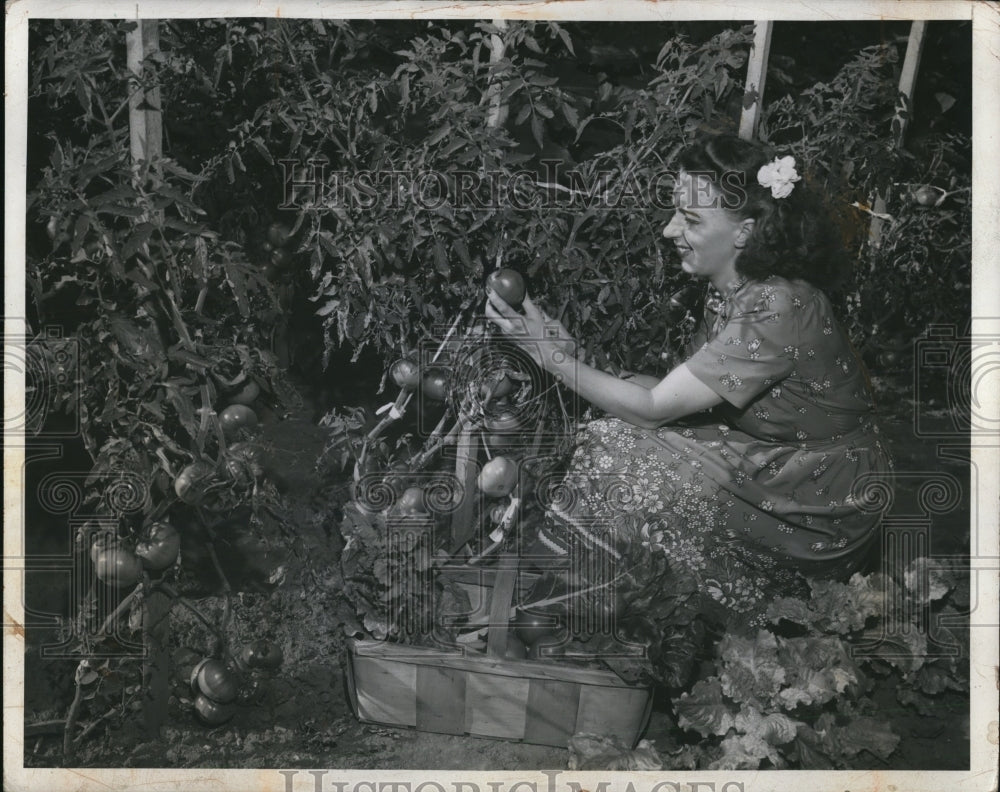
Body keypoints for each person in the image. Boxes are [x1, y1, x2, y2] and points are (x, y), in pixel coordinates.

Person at [485, 134, 893, 636]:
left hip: (823, 500)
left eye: (692, 220)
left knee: (613, 446)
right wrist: (573, 357)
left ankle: (583, 609)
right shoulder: (736, 292)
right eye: (677, 212)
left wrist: (548, 358)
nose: (668, 229)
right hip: (774, 460)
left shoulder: (777, 306)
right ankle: (588, 602)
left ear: (745, 232)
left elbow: (655, 407)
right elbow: (680, 394)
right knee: (616, 434)